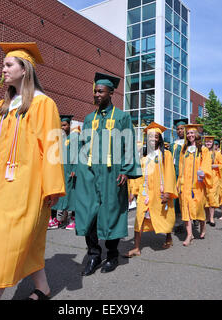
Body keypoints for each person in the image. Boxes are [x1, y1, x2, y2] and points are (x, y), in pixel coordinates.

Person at [0, 42, 65, 300]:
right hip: (1, 187)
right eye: (3, 65)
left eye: (9, 64)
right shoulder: (3, 106)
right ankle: (43, 288)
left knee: (2, 245)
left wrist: (52, 187)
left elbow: (52, 147)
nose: (3, 69)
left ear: (25, 69)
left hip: (28, 187)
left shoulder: (44, 104)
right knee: (25, 242)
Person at [75, 72, 141, 276]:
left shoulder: (122, 117)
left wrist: (126, 170)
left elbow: (128, 144)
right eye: (95, 91)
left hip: (113, 174)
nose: (96, 94)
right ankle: (94, 254)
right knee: (89, 214)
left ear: (111, 92)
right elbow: (82, 145)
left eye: (100, 91)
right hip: (90, 172)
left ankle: (112, 254)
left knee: (111, 213)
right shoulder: (89, 118)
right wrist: (78, 170)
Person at [123, 122, 177, 257]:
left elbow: (170, 174)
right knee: (139, 218)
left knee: (164, 215)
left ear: (160, 139)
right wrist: (133, 191)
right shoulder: (144, 158)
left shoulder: (166, 155)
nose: (153, 139)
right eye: (150, 137)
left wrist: (168, 193)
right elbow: (138, 176)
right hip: (145, 192)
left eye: (156, 137)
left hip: (160, 192)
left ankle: (168, 237)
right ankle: (136, 248)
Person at [177, 124, 212, 246]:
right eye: (189, 133)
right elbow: (181, 167)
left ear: (197, 134)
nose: (190, 135)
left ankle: (203, 228)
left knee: (198, 208)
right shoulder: (184, 149)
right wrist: (179, 182)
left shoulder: (203, 149)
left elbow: (207, 164)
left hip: (198, 185)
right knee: (185, 209)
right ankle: (189, 235)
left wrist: (202, 171)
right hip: (185, 185)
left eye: (192, 133)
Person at [50, 115, 79, 231]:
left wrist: (75, 169)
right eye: (61, 125)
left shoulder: (74, 137)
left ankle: (73, 219)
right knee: (61, 196)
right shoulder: (61, 138)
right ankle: (58, 219)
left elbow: (77, 154)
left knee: (72, 196)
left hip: (71, 171)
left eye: (64, 125)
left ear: (69, 125)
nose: (62, 127)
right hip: (62, 170)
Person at [167, 118, 189, 241]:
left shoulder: (188, 144)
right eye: (178, 129)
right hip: (173, 174)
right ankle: (178, 222)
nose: (180, 131)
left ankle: (188, 221)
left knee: (184, 198)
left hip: (184, 174)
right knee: (175, 198)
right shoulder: (173, 144)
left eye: (182, 129)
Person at [203, 136, 222, 227]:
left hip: (213, 178)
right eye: (207, 142)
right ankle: (207, 217)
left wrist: (214, 166)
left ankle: (211, 218)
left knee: (212, 197)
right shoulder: (202, 152)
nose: (208, 143)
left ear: (213, 143)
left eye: (210, 142)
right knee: (205, 198)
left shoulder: (217, 154)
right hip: (204, 178)